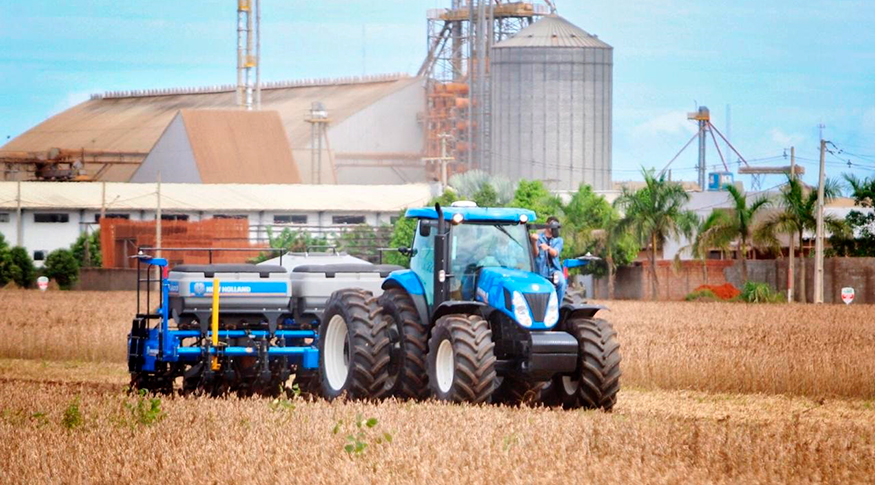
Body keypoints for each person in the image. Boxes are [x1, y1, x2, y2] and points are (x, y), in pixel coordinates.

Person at [531, 216, 566, 302]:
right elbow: (535, 254)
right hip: (540, 269)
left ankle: (557, 308)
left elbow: (555, 253)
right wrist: (534, 242)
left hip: (554, 270)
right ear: (547, 225)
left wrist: (547, 248)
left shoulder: (558, 240)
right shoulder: (538, 237)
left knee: (562, 282)